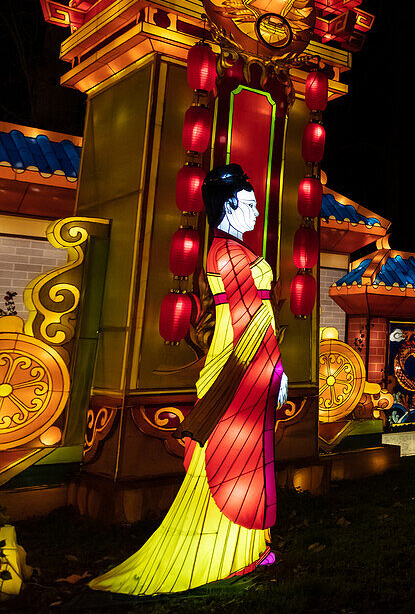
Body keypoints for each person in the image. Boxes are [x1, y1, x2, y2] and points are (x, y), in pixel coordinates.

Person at [90, 164, 287, 595]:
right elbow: (248, 317)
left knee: (244, 452)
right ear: (231, 204)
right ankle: (228, 549)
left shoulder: (225, 251)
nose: (255, 214)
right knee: (235, 453)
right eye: (250, 205)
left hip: (243, 357)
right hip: (243, 361)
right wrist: (273, 366)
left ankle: (247, 547)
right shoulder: (232, 255)